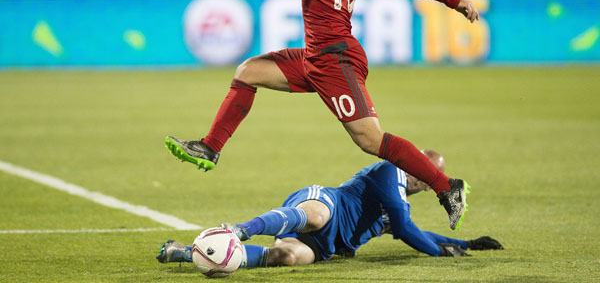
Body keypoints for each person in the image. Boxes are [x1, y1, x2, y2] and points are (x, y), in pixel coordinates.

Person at [165, 0, 480, 230]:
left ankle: (446, 187)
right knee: (249, 71)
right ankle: (210, 147)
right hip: (318, 55)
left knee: (370, 140)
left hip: (335, 59)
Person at [156, 150, 503, 268]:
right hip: (326, 204)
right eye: (425, 168)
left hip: (325, 246)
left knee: (287, 259)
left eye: (431, 175)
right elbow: (404, 228)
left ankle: (187, 254)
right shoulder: (389, 171)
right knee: (317, 215)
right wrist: (441, 255)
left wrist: (466, 243)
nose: (426, 177)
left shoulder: (402, 203)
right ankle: (241, 229)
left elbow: (411, 230)